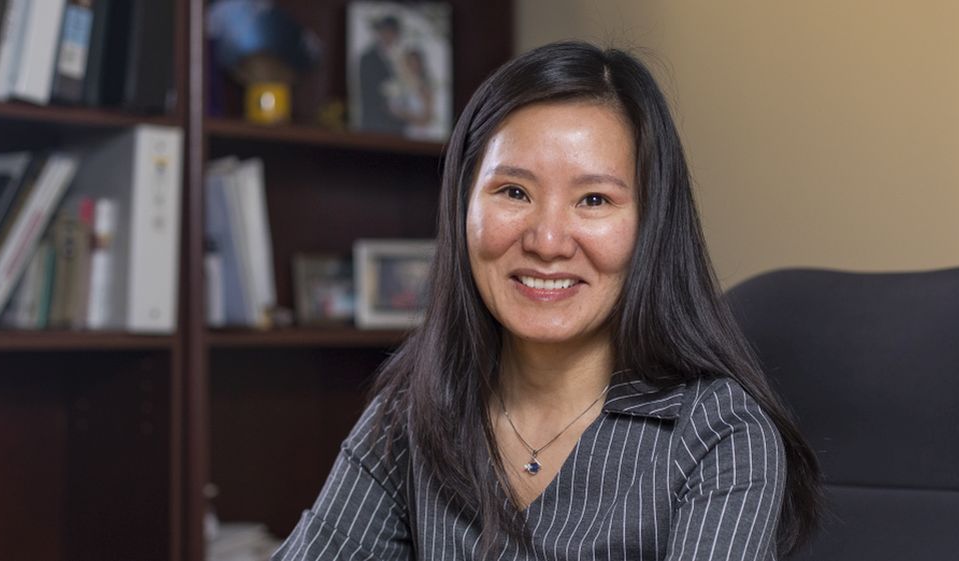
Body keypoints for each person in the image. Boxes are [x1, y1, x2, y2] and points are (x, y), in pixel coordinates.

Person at [273, 41, 821, 560]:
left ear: (650, 226)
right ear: (462, 206)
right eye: (514, 192)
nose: (547, 241)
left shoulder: (716, 435)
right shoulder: (414, 408)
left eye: (594, 199)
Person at [356, 15, 406, 134]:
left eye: (392, 32)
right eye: (386, 31)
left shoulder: (400, 58)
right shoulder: (368, 58)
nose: (389, 36)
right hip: (375, 125)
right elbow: (368, 90)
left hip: (397, 126)